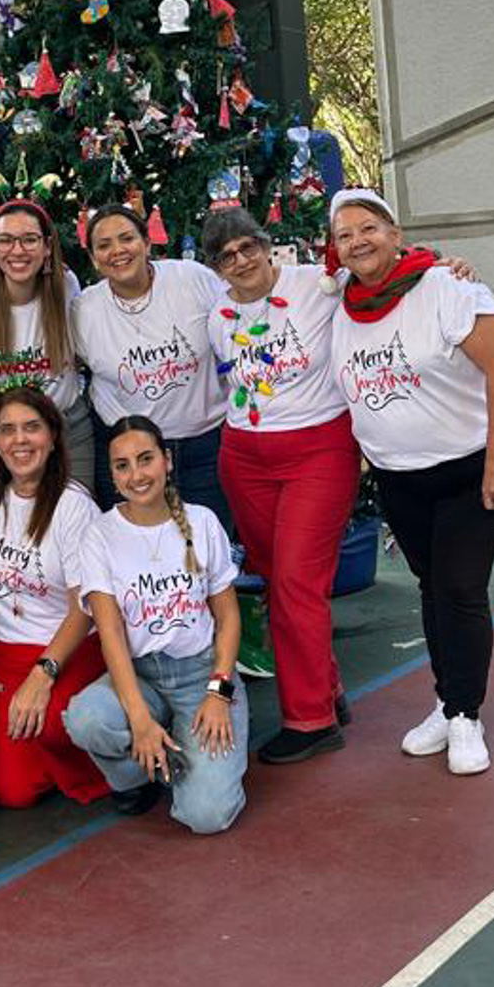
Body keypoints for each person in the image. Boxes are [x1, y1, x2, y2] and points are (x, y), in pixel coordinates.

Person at [329, 188, 494, 776]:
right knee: (431, 586)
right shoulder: (337, 300)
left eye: (369, 228)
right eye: (344, 235)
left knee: (460, 586)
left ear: (396, 234)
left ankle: (465, 714)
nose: (358, 241)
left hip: (471, 462)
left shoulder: (446, 287)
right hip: (400, 473)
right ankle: (447, 700)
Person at [203, 206, 359, 764]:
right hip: (245, 457)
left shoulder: (318, 286)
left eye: (248, 247)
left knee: (297, 580)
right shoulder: (217, 315)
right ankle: (326, 687)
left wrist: (440, 266)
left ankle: (311, 720)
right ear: (216, 267)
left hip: (318, 449)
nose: (241, 261)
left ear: (265, 245)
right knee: (278, 582)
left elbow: (382, 272)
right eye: (226, 256)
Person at [64, 417, 249, 831]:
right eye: (122, 465)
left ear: (167, 460)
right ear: (112, 475)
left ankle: (186, 755)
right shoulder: (99, 535)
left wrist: (219, 692)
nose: (136, 475)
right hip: (141, 677)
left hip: (202, 675)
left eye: (145, 459)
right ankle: (141, 773)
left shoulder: (202, 522)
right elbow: (111, 634)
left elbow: (228, 616)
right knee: (87, 718)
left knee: (207, 816)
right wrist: (139, 720)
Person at [0, 388, 108, 810]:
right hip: (3, 653)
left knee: (58, 726)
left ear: (53, 436)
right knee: (13, 793)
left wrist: (43, 675)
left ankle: (106, 750)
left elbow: (84, 607)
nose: (19, 440)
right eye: (7, 430)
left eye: (31, 428)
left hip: (66, 651)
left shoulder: (75, 507)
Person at [72, 205, 230, 523]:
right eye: (104, 245)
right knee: (135, 546)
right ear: (93, 258)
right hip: (127, 453)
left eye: (127, 238)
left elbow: (236, 326)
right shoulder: (84, 310)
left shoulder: (192, 279)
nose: (117, 251)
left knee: (206, 542)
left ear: (146, 243)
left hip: (205, 447)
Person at [0, 198, 93, 491]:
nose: (18, 250)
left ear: (47, 247)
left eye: (30, 239)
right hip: (14, 439)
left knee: (79, 510)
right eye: (6, 240)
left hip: (71, 430)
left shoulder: (67, 287)